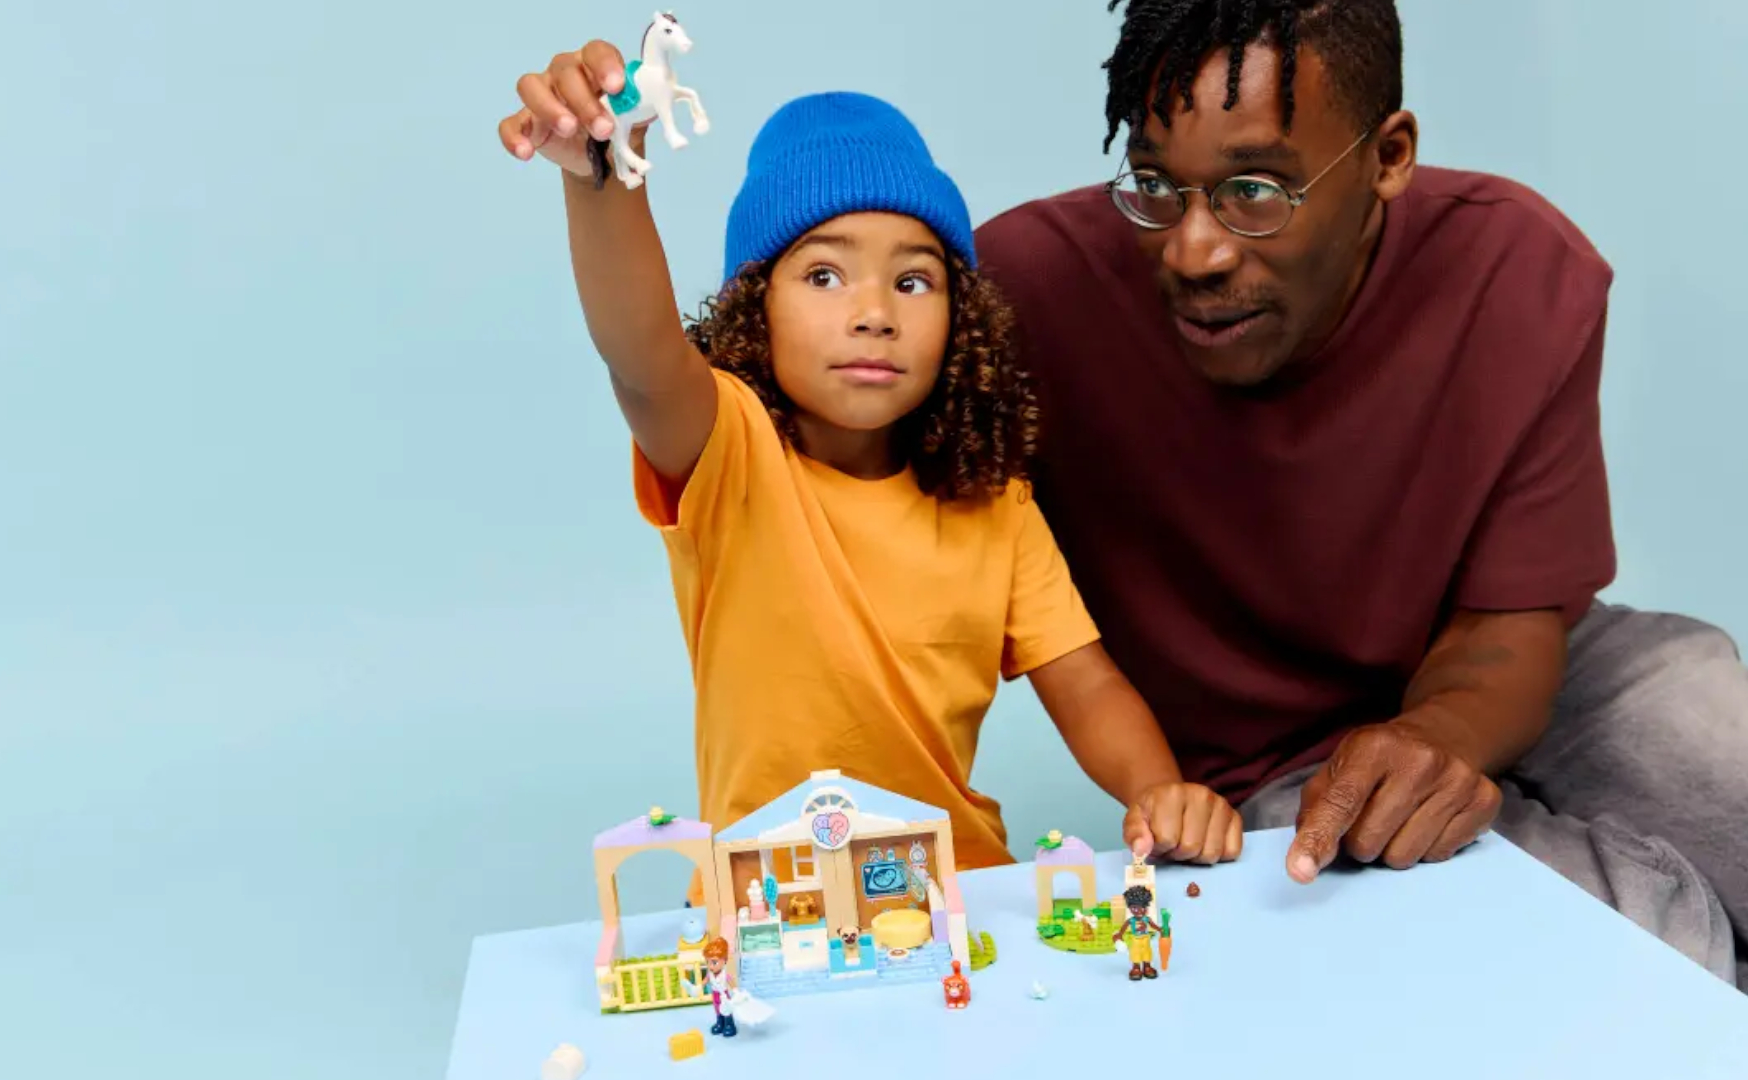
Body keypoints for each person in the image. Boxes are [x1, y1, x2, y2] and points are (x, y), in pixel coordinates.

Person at [974, 0, 1748, 990]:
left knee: (1711, 739)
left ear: (1388, 157)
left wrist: (1438, 738)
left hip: (1534, 669)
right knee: (1639, 959)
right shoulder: (1025, 291)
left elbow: (1511, 625)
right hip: (1279, 765)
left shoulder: (1514, 269)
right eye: (1157, 186)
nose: (1194, 251)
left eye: (1256, 189)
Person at [495, 43, 1249, 902]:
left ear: (961, 320)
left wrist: (1158, 790)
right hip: (768, 909)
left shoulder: (994, 507)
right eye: (823, 273)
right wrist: (602, 177)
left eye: (915, 281)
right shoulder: (730, 456)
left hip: (958, 902)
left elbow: (1086, 683)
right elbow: (640, 355)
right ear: (755, 305)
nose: (875, 313)